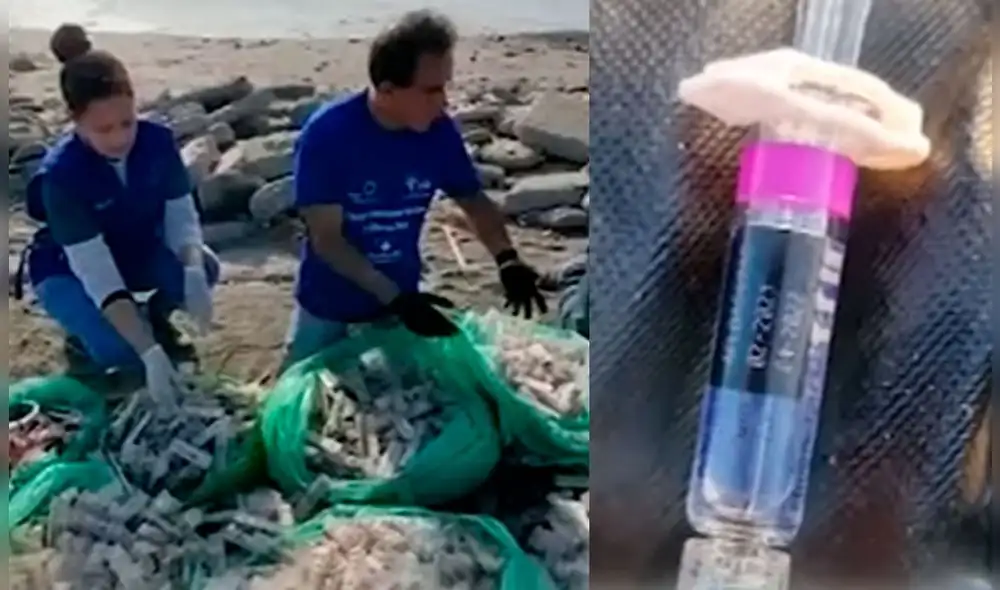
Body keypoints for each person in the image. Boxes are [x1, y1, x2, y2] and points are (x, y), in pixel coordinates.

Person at [285, 10, 546, 365]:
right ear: (387, 90)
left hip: (401, 293)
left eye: (446, 87)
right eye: (432, 90)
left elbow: (471, 198)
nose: (445, 102)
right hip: (329, 303)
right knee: (301, 389)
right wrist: (397, 299)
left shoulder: (439, 133)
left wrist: (507, 259)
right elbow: (327, 240)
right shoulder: (327, 136)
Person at [21, 24, 218, 403]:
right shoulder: (60, 177)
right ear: (75, 121)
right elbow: (97, 272)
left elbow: (181, 218)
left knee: (205, 269)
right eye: (103, 129)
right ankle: (90, 341)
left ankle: (154, 321)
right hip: (68, 268)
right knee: (121, 354)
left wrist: (192, 268)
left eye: (127, 123)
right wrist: (148, 354)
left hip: (133, 247)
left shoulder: (157, 142)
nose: (119, 139)